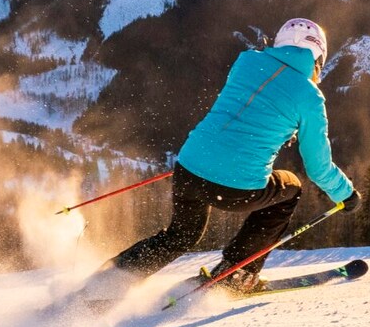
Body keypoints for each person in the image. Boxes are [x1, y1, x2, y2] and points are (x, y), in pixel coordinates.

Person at [89, 17, 355, 297]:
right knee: (291, 188)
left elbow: (244, 108)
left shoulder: (246, 62)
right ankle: (237, 274)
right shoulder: (310, 98)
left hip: (189, 167)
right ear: (317, 60)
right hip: (236, 188)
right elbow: (318, 166)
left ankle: (109, 279)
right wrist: (346, 194)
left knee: (181, 235)